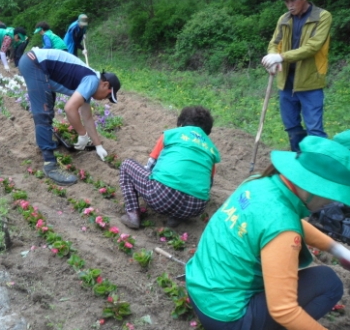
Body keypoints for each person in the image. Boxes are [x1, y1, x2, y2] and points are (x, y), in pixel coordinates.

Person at [186, 135, 350, 330]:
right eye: (331, 195)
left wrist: (337, 249)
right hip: (227, 318)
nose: (330, 202)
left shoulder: (258, 183)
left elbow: (282, 222)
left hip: (200, 289)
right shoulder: (283, 229)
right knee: (329, 283)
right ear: (314, 189)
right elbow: (284, 311)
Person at [18, 48, 121, 185]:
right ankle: (50, 165)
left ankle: (46, 143)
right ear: (105, 84)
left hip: (35, 63)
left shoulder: (89, 84)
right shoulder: (92, 81)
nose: (104, 99)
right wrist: (82, 134)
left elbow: (87, 118)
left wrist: (98, 146)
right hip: (35, 64)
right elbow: (70, 108)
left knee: (47, 107)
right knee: (44, 113)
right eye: (108, 95)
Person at [119, 106, 220, 229]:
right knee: (188, 189)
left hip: (162, 197)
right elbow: (209, 184)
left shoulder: (171, 134)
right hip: (195, 206)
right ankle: (176, 217)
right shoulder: (211, 149)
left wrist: (141, 187)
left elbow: (150, 167)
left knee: (127, 165)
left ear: (181, 123)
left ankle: (132, 214)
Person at [261, 0, 332, 152]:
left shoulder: (322, 17)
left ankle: (318, 163)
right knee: (292, 127)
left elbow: (312, 47)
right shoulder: (284, 19)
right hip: (286, 82)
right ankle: (298, 159)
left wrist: (281, 57)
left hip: (310, 82)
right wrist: (272, 58)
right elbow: (274, 43)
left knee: (314, 130)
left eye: (293, 0)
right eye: (286, 1)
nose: (289, 5)